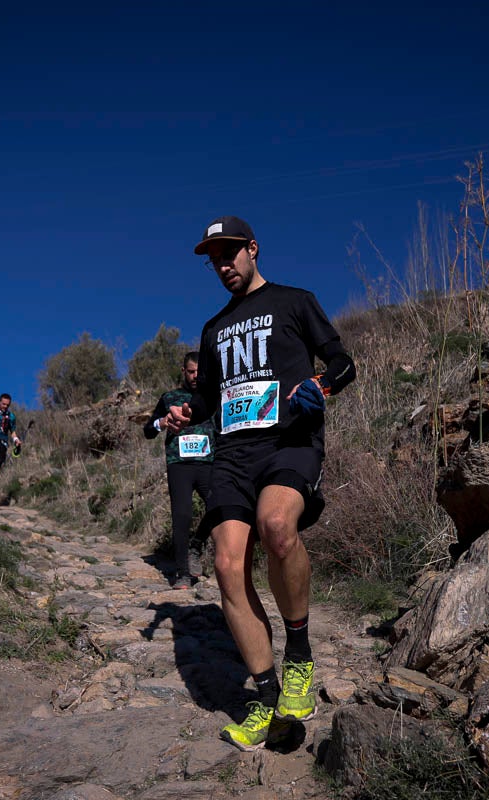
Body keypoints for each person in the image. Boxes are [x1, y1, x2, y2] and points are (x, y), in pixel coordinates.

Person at [164, 215, 356, 751]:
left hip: (288, 442)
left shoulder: (295, 301)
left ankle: (299, 658)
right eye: (214, 258)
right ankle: (269, 699)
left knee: (277, 526)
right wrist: (187, 412)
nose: (223, 265)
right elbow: (208, 400)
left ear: (252, 249)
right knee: (226, 564)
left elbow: (343, 361)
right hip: (232, 454)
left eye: (231, 254)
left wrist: (321, 384)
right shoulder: (212, 328)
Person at [144, 351, 216, 589]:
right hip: (179, 464)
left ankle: (197, 543)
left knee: (220, 506)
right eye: (191, 371)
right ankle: (183, 573)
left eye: (199, 371)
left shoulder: (212, 396)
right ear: (184, 371)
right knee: (181, 517)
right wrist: (161, 422)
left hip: (208, 462)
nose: (195, 376)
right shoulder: (170, 397)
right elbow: (148, 430)